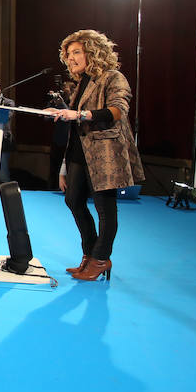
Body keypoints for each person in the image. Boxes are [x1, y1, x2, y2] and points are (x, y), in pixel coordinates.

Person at [47, 29, 144, 281]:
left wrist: (78, 114)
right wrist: (63, 167)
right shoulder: (83, 81)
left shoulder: (113, 77)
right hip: (80, 152)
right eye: (68, 55)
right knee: (72, 200)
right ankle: (89, 254)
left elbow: (117, 111)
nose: (71, 58)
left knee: (105, 207)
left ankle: (101, 258)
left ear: (93, 51)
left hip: (106, 154)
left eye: (76, 52)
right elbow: (75, 122)